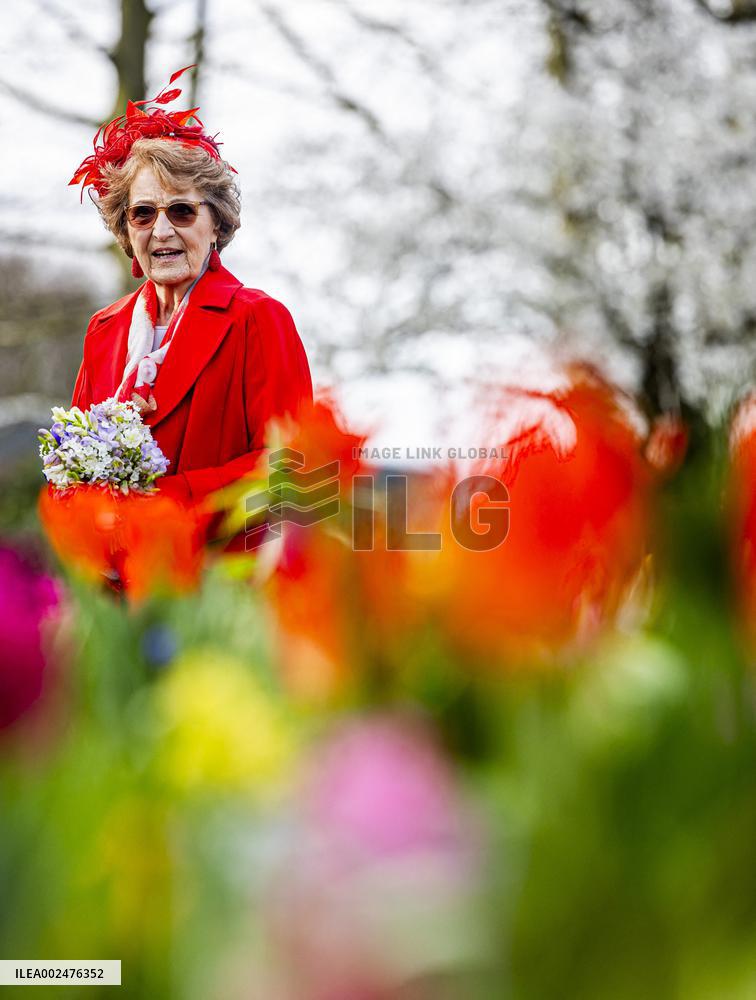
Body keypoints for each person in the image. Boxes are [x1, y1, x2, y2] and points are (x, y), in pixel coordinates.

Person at [68, 67, 313, 549]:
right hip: (121, 583)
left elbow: (294, 470)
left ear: (216, 222)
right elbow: (76, 462)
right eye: (143, 213)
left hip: (224, 582)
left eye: (181, 210)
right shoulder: (104, 329)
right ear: (126, 228)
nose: (161, 231)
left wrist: (162, 504)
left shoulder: (257, 319)